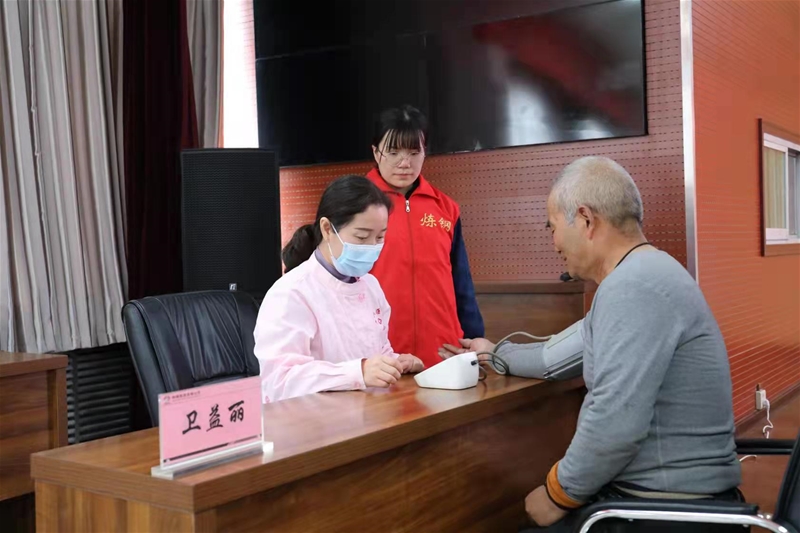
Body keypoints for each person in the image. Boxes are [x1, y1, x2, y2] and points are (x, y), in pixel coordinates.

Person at [451, 157, 742, 532]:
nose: (554, 243)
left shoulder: (633, 287)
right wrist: (492, 354)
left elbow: (615, 423)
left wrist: (557, 495)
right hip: (663, 501)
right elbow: (553, 357)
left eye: (553, 227)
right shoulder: (643, 274)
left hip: (667, 511)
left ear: (586, 220)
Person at [254, 175, 424, 403]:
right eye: (361, 237)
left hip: (370, 412)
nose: (372, 247)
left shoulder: (370, 287)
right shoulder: (291, 293)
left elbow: (377, 352)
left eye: (380, 237)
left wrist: (395, 363)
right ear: (327, 229)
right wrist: (358, 372)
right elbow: (278, 381)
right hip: (313, 419)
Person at [366, 105, 484, 368]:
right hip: (381, 356)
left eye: (413, 152)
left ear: (425, 151)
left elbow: (461, 281)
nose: (404, 163)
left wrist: (475, 336)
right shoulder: (355, 206)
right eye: (393, 152)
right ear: (376, 152)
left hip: (443, 352)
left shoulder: (446, 208)